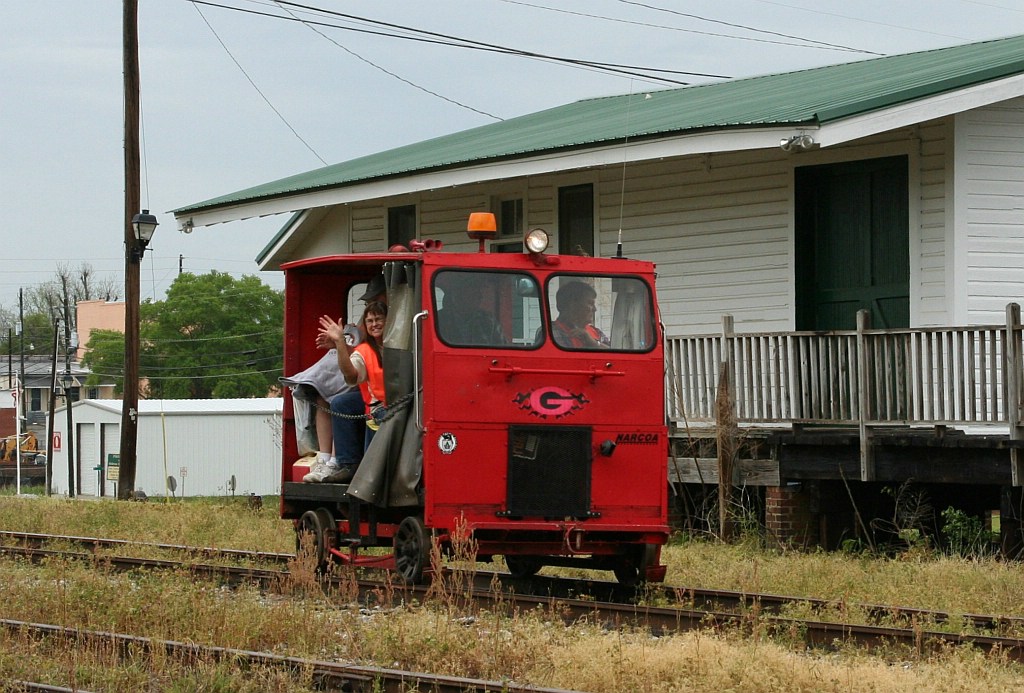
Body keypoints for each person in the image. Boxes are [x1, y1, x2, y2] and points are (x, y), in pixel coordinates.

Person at [303, 301, 388, 483]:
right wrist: (340, 343)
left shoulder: (402, 343)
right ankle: (347, 463)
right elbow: (351, 375)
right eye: (370, 321)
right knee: (341, 403)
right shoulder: (365, 350)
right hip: (377, 406)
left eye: (379, 319)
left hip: (401, 404)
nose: (374, 324)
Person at [434, 271, 505, 346]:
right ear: (457, 294)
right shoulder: (439, 319)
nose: (480, 296)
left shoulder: (488, 321)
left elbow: (502, 349)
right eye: (473, 291)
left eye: (479, 291)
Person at [551, 280, 610, 349]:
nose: (594, 309)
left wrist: (593, 343)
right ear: (572, 305)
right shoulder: (552, 332)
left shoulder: (596, 331)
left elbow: (615, 353)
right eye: (590, 303)